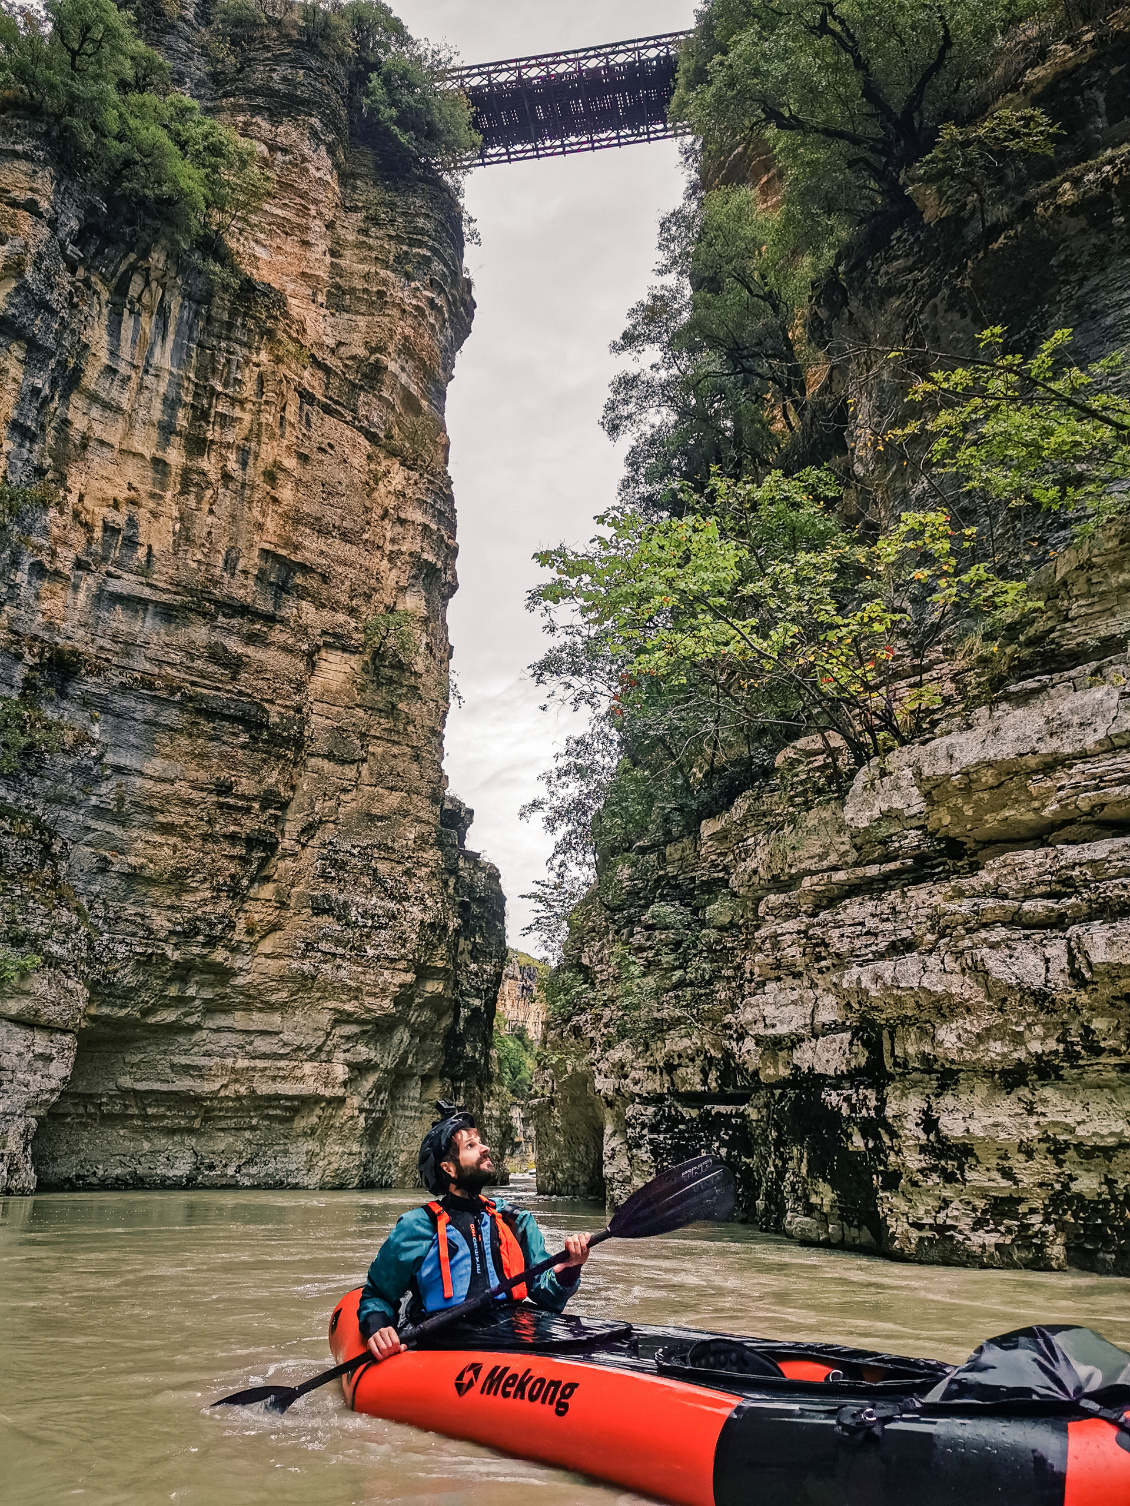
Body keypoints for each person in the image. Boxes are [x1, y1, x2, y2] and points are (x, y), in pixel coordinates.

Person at [359, 1102, 591, 1362]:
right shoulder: (417, 1227)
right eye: (471, 1145)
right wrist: (378, 1328)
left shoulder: (516, 1221)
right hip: (446, 1341)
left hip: (514, 1337)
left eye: (480, 1142)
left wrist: (569, 1270)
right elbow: (377, 1295)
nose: (485, 1148)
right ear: (448, 1167)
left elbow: (548, 1299)